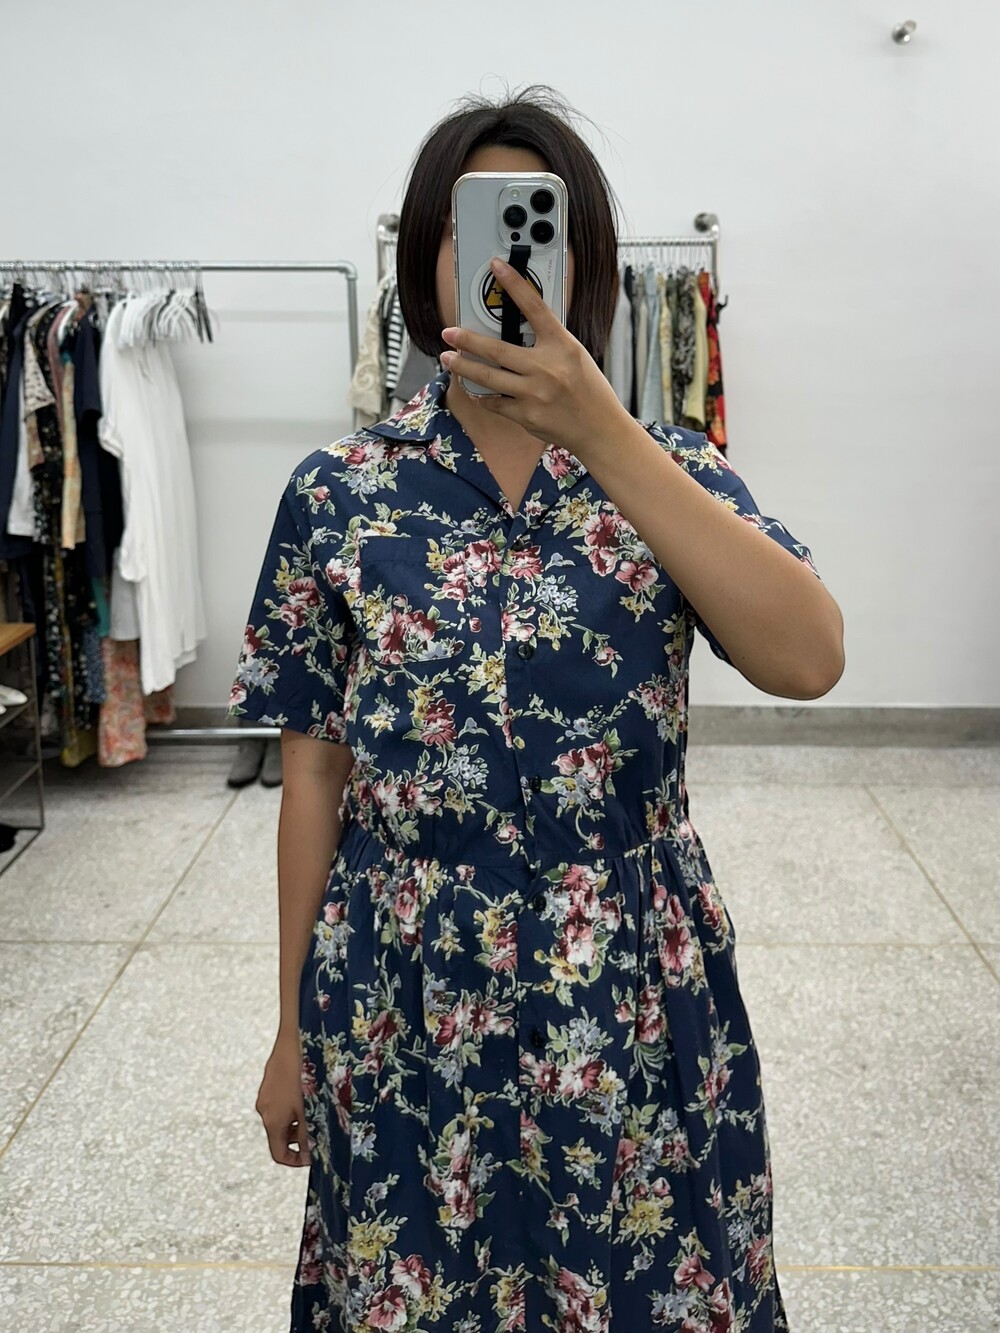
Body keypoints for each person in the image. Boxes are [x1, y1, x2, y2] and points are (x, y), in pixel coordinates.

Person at [228, 84, 844, 1333]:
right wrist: (291, 1025)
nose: (506, 262)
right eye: (471, 228)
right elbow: (314, 775)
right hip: (403, 994)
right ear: (426, 259)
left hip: (629, 994)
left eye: (536, 227)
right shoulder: (340, 494)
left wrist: (604, 432)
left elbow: (809, 657)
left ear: (585, 263)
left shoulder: (672, 471)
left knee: (653, 1290)